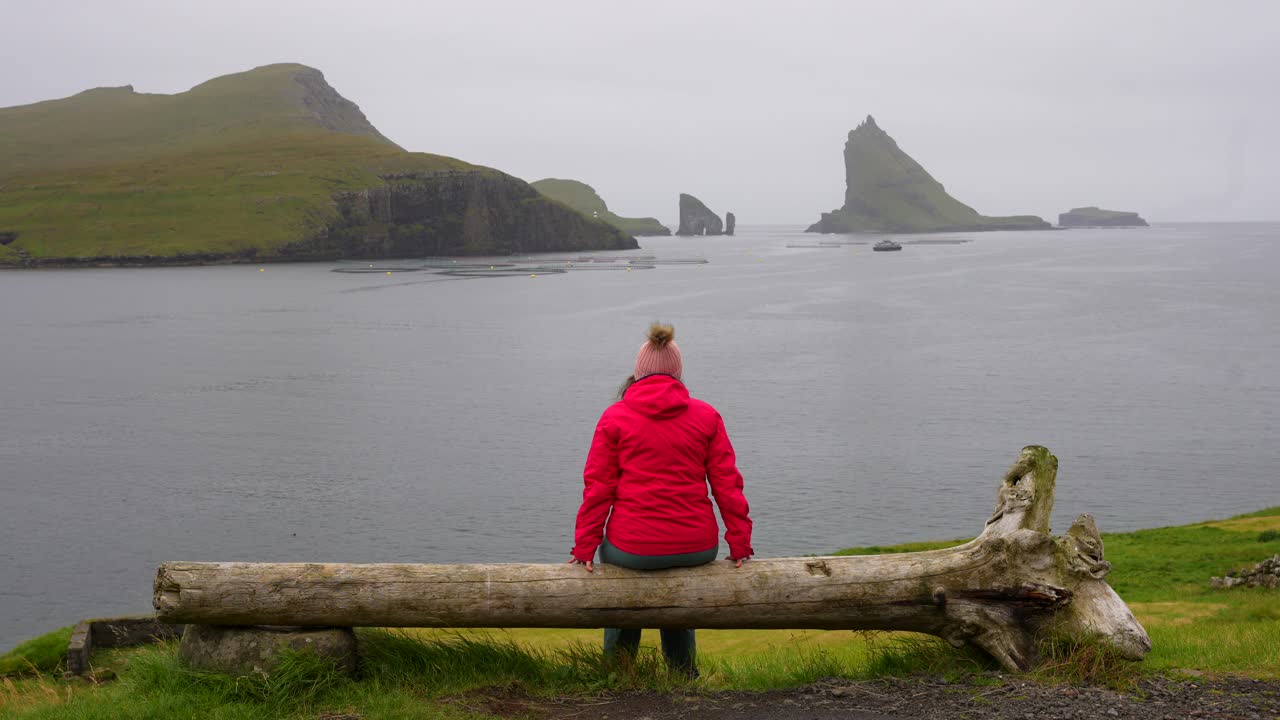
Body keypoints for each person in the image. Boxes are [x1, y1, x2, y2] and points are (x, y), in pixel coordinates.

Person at [567, 322, 753, 677]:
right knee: (678, 581)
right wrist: (740, 544)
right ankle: (683, 674)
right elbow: (727, 485)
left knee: (621, 569)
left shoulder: (614, 417)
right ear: (678, 374)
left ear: (637, 373)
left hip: (631, 549)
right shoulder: (706, 416)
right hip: (697, 546)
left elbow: (598, 489)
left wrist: (584, 549)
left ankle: (619, 672)